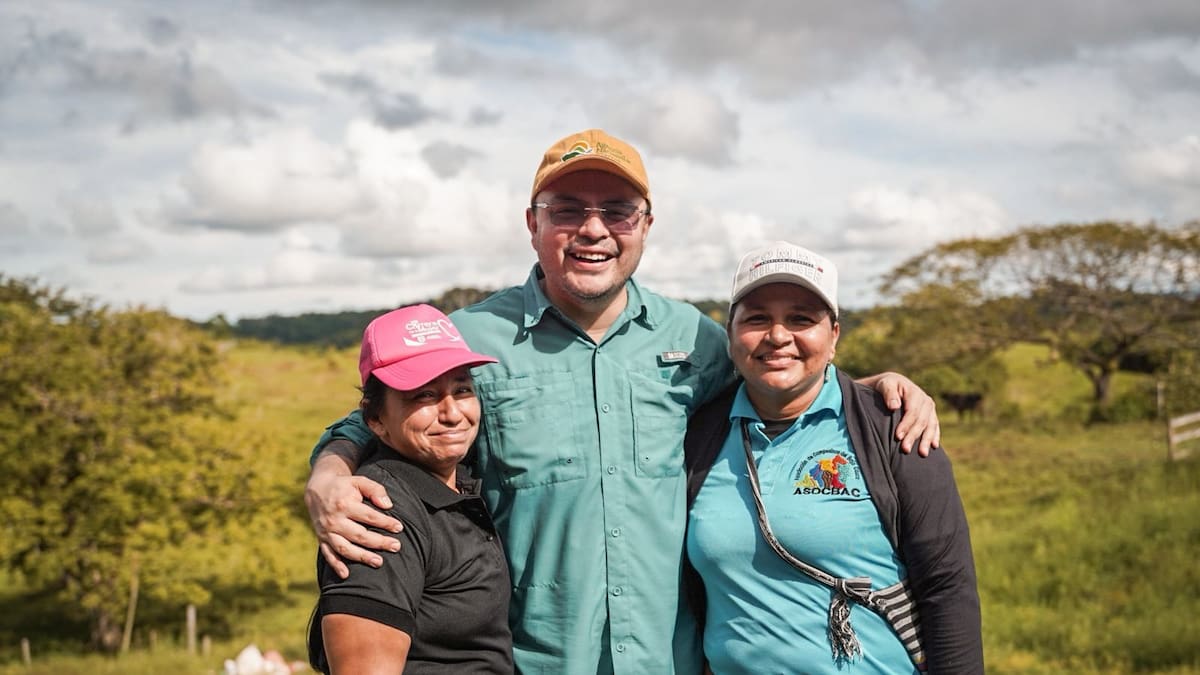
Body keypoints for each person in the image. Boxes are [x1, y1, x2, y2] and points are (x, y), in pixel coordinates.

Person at [305, 129, 944, 674]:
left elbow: (782, 375)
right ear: (533, 224)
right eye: (566, 210)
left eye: (617, 210)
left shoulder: (694, 338)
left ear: (645, 225)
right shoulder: (473, 338)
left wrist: (873, 389)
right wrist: (330, 472)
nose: (593, 230)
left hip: (673, 659)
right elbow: (382, 414)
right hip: (538, 660)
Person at [683, 242, 983, 674]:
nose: (778, 335)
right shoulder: (698, 434)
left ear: (834, 335)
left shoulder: (892, 428)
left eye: (801, 318)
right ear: (730, 333)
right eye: (757, 318)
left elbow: (947, 586)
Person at [308, 304, 513, 674]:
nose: (452, 413)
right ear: (374, 419)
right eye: (424, 396)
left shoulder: (453, 482)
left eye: (462, 389)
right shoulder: (378, 512)